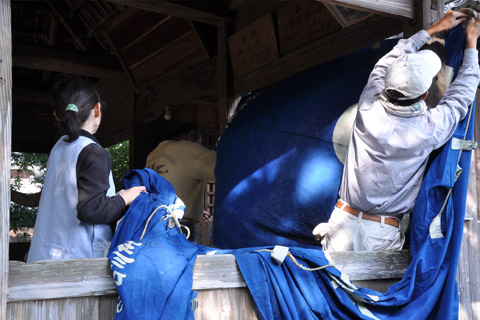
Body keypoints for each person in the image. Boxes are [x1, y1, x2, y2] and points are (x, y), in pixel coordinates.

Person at [313, 11, 480, 251]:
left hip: (341, 223)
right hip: (381, 234)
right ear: (423, 95)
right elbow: (462, 93)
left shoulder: (369, 103)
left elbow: (389, 59)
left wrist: (432, 28)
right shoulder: (428, 129)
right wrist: (471, 42)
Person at [27, 74, 145, 262]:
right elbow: (91, 210)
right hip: (76, 263)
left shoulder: (59, 147)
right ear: (97, 109)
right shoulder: (93, 152)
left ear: (57, 115)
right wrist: (124, 198)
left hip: (43, 256)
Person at [145, 123, 216, 240]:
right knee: (184, 258)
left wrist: (195, 210)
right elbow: (225, 168)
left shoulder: (154, 153)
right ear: (191, 135)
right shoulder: (191, 149)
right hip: (179, 225)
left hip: (151, 222)